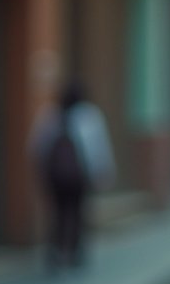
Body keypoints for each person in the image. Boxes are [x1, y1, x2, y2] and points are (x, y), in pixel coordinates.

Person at [29, 81, 115, 272]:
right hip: (79, 178)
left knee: (58, 213)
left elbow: (37, 146)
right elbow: (98, 148)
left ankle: (56, 252)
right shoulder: (89, 116)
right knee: (77, 212)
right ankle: (75, 253)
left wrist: (42, 173)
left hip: (55, 178)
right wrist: (103, 172)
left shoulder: (50, 115)